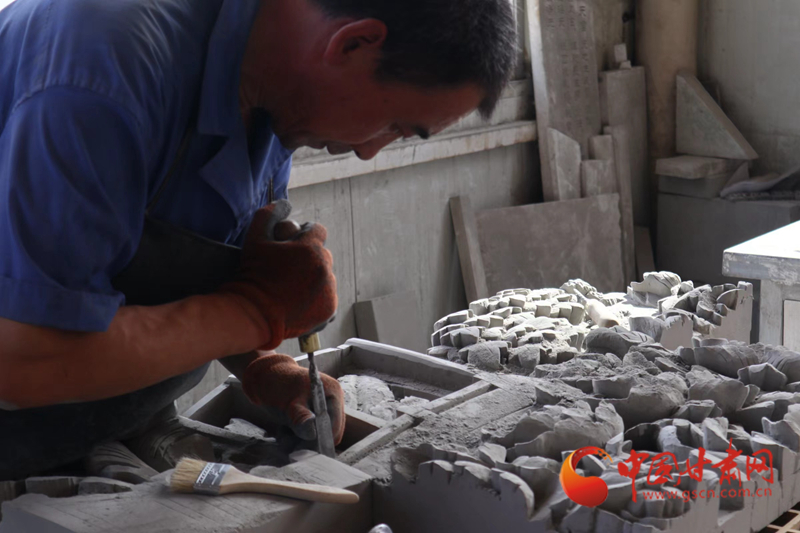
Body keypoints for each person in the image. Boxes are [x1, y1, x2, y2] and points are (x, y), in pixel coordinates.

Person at [0, 0, 516, 480]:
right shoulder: (104, 67)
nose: (367, 152)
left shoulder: (279, 88)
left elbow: (181, 272)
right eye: (396, 126)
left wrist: (262, 365)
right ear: (352, 43)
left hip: (108, 416)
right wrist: (253, 313)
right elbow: (25, 362)